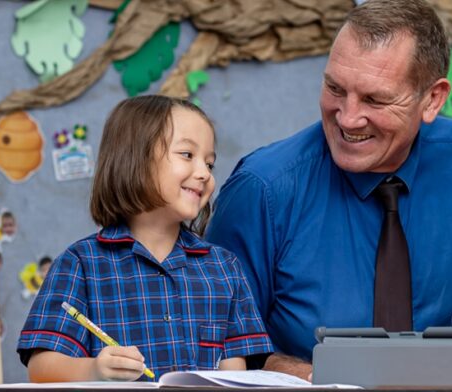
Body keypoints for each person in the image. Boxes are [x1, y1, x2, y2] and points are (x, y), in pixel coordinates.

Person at [205, 0, 452, 378]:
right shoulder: (262, 189)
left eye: (375, 99)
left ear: (433, 99)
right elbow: (212, 337)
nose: (348, 117)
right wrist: (300, 373)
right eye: (335, 88)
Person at [17, 95, 273, 382]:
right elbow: (41, 368)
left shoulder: (225, 269)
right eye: (187, 155)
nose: (204, 174)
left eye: (210, 164)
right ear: (135, 158)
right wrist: (94, 370)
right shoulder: (80, 264)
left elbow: (234, 377)